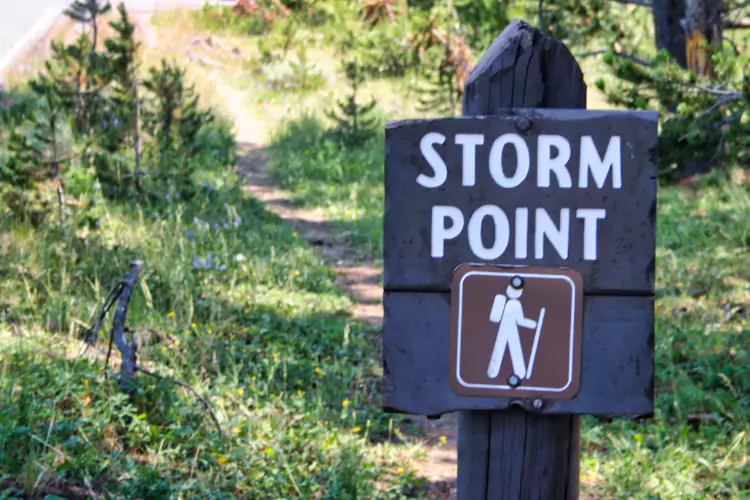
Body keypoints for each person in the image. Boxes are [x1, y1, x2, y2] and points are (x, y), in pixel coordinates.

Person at [487, 283, 537, 380]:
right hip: (504, 329)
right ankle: (493, 372)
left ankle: (520, 373)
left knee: (514, 350)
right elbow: (494, 317)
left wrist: (532, 324)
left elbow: (520, 320)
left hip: (512, 330)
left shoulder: (516, 304)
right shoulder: (501, 300)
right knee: (500, 349)